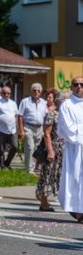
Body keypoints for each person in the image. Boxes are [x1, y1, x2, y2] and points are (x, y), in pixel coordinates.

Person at [58, 77, 83, 223]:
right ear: (72, 87)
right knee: (75, 179)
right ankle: (77, 210)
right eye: (76, 84)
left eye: (82, 84)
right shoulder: (66, 105)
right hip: (75, 148)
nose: (79, 87)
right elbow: (67, 128)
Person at [35, 88, 65, 212]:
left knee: (59, 175)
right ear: (58, 101)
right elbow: (47, 134)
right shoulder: (52, 114)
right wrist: (50, 151)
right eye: (63, 100)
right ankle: (44, 202)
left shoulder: (65, 115)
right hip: (53, 148)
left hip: (64, 150)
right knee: (48, 174)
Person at [18, 83, 47, 172]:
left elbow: (46, 116)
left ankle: (35, 167)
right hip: (28, 127)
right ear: (31, 91)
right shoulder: (25, 101)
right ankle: (29, 169)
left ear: (40, 92)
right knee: (30, 148)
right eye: (34, 90)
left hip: (40, 128)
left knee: (37, 148)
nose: (36, 92)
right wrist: (21, 130)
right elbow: (20, 116)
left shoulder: (44, 102)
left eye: (38, 91)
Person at [0, 86, 19, 170]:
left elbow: (16, 116)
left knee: (15, 147)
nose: (6, 95)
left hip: (12, 130)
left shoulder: (13, 103)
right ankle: (2, 166)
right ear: (1, 93)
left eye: (8, 93)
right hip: (1, 130)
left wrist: (17, 127)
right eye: (4, 93)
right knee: (1, 149)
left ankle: (7, 163)